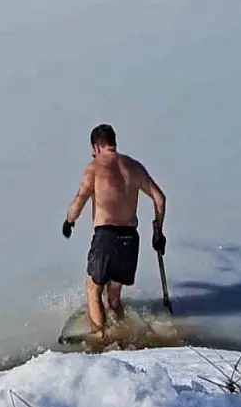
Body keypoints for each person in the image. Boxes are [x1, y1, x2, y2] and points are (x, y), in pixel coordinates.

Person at [63, 123, 166, 337]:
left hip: (106, 237)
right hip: (130, 239)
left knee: (93, 289)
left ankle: (100, 340)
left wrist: (69, 221)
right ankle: (122, 333)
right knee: (114, 297)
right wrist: (158, 229)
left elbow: (80, 199)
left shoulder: (94, 167)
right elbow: (160, 199)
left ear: (96, 146)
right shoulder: (134, 167)